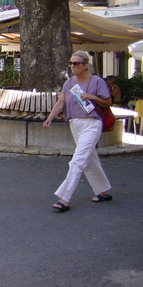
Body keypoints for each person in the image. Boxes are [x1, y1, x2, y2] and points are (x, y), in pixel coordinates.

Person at [43, 50, 113, 213]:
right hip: (75, 124)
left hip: (92, 124)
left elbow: (107, 102)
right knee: (89, 160)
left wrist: (92, 97)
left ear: (85, 66)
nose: (72, 66)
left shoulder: (96, 81)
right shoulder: (69, 83)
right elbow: (61, 103)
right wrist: (50, 118)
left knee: (78, 160)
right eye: (71, 63)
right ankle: (103, 190)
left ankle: (64, 198)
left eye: (76, 63)